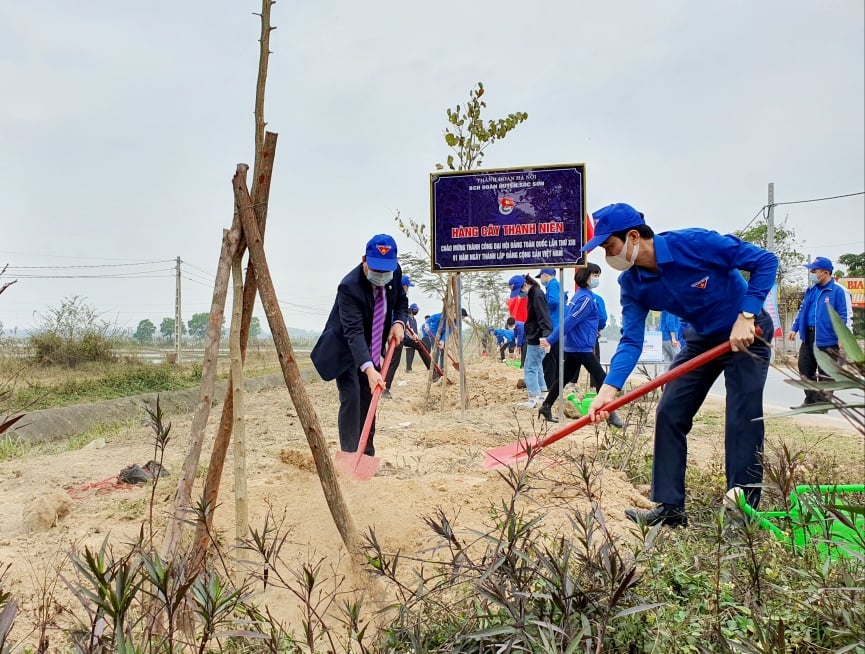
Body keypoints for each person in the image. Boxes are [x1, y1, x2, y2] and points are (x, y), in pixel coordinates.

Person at [583, 203, 778, 526]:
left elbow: (765, 262)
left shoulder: (694, 244)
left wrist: (747, 314)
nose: (607, 256)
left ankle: (742, 512)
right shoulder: (632, 285)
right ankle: (670, 508)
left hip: (746, 332)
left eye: (609, 246)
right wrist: (608, 389)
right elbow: (631, 340)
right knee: (670, 411)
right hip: (701, 339)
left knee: (742, 415)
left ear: (633, 236)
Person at [311, 234, 408, 456]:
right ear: (364, 260)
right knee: (352, 398)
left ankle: (366, 453)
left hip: (372, 346)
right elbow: (353, 333)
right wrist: (369, 368)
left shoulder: (395, 273)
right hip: (345, 350)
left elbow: (401, 301)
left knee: (368, 399)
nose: (382, 275)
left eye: (386, 271)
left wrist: (399, 322)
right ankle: (349, 455)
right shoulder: (349, 287)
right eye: (377, 269)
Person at [538, 267, 624, 427]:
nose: (597, 278)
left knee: (564, 377)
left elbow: (587, 320)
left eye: (598, 275)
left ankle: (546, 406)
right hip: (580, 346)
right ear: (585, 276)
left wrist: (594, 331)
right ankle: (611, 414)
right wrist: (551, 339)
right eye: (595, 275)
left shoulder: (584, 296)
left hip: (578, 344)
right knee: (602, 377)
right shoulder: (584, 298)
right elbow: (570, 321)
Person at [787, 257, 850, 409]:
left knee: (826, 373)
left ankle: (822, 404)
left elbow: (845, 315)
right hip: (808, 336)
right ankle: (809, 401)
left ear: (826, 272)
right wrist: (794, 328)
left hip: (828, 338)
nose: (811, 273)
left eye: (814, 271)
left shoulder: (839, 291)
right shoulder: (811, 290)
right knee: (805, 369)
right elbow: (802, 311)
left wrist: (844, 338)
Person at [518, 274, 552, 408]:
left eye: (519, 290)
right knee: (537, 366)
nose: (520, 294)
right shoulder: (534, 294)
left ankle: (533, 398)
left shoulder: (536, 295)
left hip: (537, 336)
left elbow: (544, 317)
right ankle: (542, 395)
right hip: (537, 335)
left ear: (525, 285)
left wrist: (545, 336)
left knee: (530, 368)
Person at [383, 275, 416, 398]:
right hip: (393, 334)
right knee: (392, 361)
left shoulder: (398, 297)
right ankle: (384, 388)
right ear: (404, 286)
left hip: (398, 332)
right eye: (407, 287)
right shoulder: (394, 297)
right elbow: (392, 316)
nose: (408, 289)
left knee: (391, 360)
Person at [537, 268, 566, 390]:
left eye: (541, 277)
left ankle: (551, 384)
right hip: (558, 325)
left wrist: (541, 305)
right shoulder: (558, 285)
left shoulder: (552, 285)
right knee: (556, 357)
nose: (541, 280)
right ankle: (556, 384)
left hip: (553, 325)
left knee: (550, 357)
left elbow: (553, 301)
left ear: (545, 275)